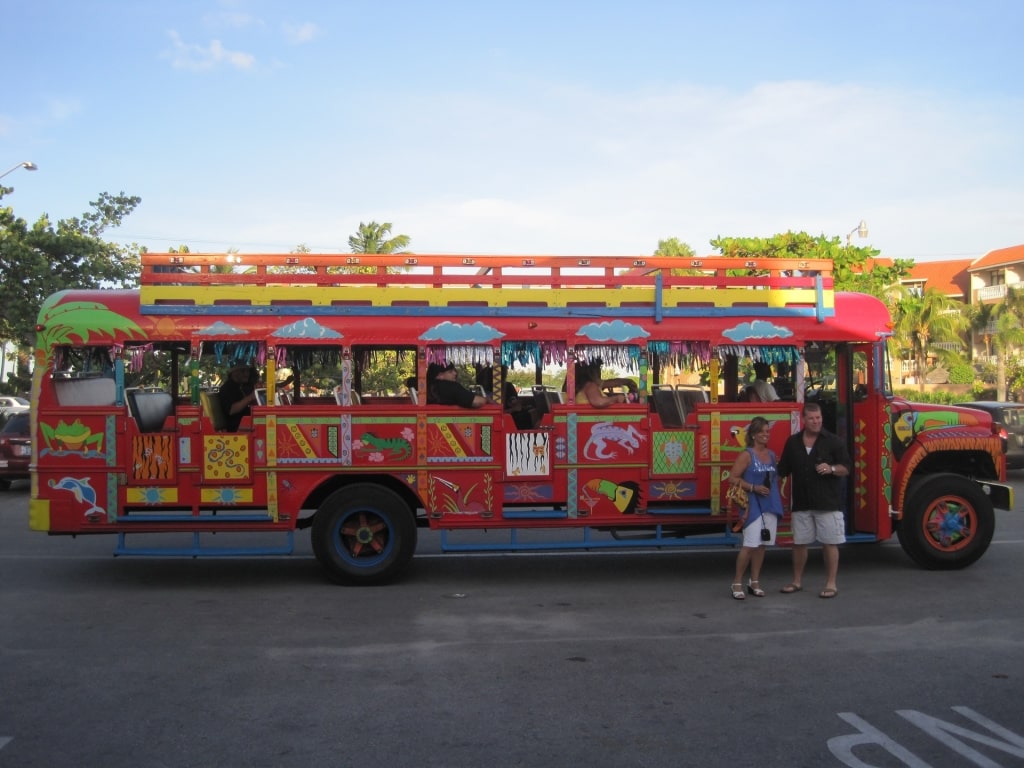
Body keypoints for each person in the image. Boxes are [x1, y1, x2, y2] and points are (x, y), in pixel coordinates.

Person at [776, 401, 851, 599]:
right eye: (812, 418)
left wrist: (832, 468)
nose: (816, 421)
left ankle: (831, 584)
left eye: (818, 418)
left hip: (827, 502)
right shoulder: (793, 442)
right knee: (799, 543)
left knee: (829, 543)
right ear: (804, 420)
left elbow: (846, 468)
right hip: (801, 502)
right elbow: (782, 470)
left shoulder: (834, 441)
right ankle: (796, 581)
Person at [727, 417, 784, 600]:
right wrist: (753, 487)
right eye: (762, 431)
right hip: (752, 504)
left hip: (770, 503)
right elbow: (733, 478)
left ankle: (755, 580)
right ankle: (737, 582)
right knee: (749, 545)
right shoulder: (747, 455)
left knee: (762, 546)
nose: (765, 434)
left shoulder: (772, 455)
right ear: (753, 434)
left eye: (767, 431)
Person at [219, 363, 259, 431]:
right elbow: (231, 410)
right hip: (237, 427)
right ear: (234, 373)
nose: (247, 374)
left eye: (248, 371)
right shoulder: (227, 388)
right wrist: (250, 397)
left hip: (247, 423)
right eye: (243, 371)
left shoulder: (241, 387)